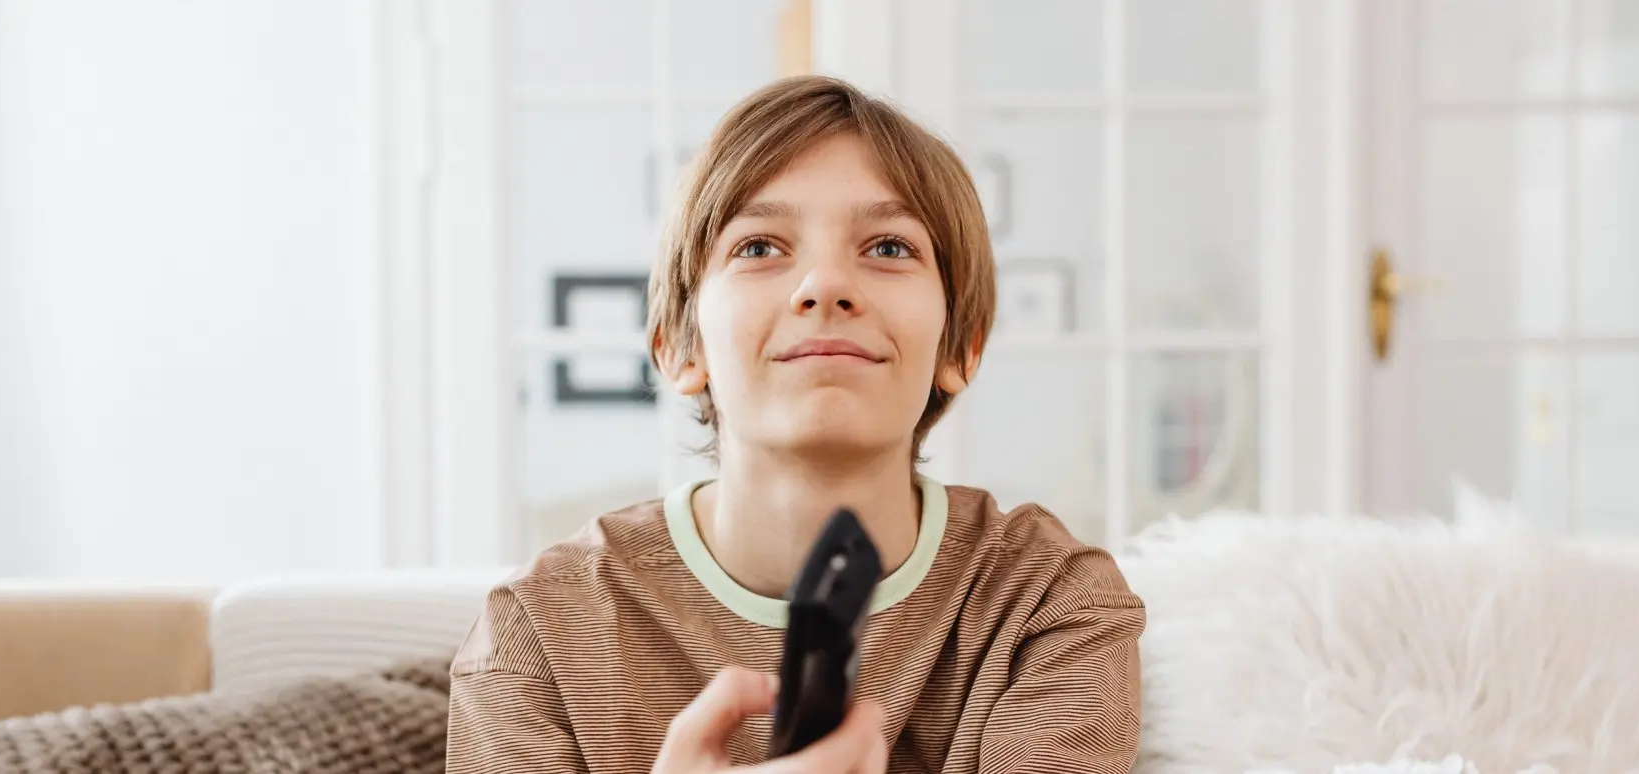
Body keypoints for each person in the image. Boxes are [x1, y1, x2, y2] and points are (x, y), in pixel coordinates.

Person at [447, 75, 1144, 774]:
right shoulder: (537, 632)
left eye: (889, 248)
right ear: (683, 349)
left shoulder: (1046, 604)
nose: (825, 286)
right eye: (758, 248)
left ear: (961, 348)